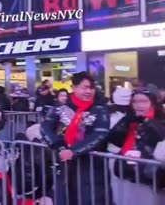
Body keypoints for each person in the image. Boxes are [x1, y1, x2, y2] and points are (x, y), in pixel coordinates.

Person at [40, 71, 111, 205]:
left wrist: (74, 151)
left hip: (92, 165)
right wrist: (59, 146)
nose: (89, 91)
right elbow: (45, 127)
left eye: (91, 88)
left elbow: (100, 134)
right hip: (64, 162)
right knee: (64, 197)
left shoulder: (100, 109)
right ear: (73, 88)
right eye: (85, 87)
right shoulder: (60, 108)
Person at [108, 90, 165, 205]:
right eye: (135, 102)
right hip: (127, 172)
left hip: (149, 177)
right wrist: (126, 122)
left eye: (144, 101)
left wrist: (149, 124)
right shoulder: (130, 119)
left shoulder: (160, 120)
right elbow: (115, 140)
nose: (139, 105)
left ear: (152, 103)